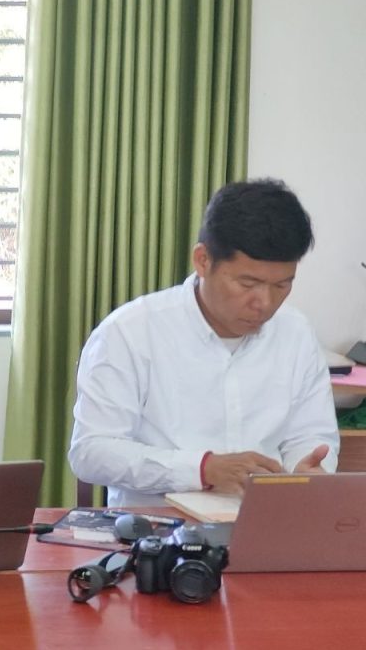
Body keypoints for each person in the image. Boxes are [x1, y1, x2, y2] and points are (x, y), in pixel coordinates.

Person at [69, 179, 339, 507]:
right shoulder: (129, 333)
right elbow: (91, 452)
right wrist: (201, 469)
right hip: (157, 528)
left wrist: (305, 470)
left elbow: (311, 435)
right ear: (202, 260)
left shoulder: (296, 333)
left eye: (282, 285)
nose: (265, 303)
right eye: (248, 283)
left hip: (265, 523)